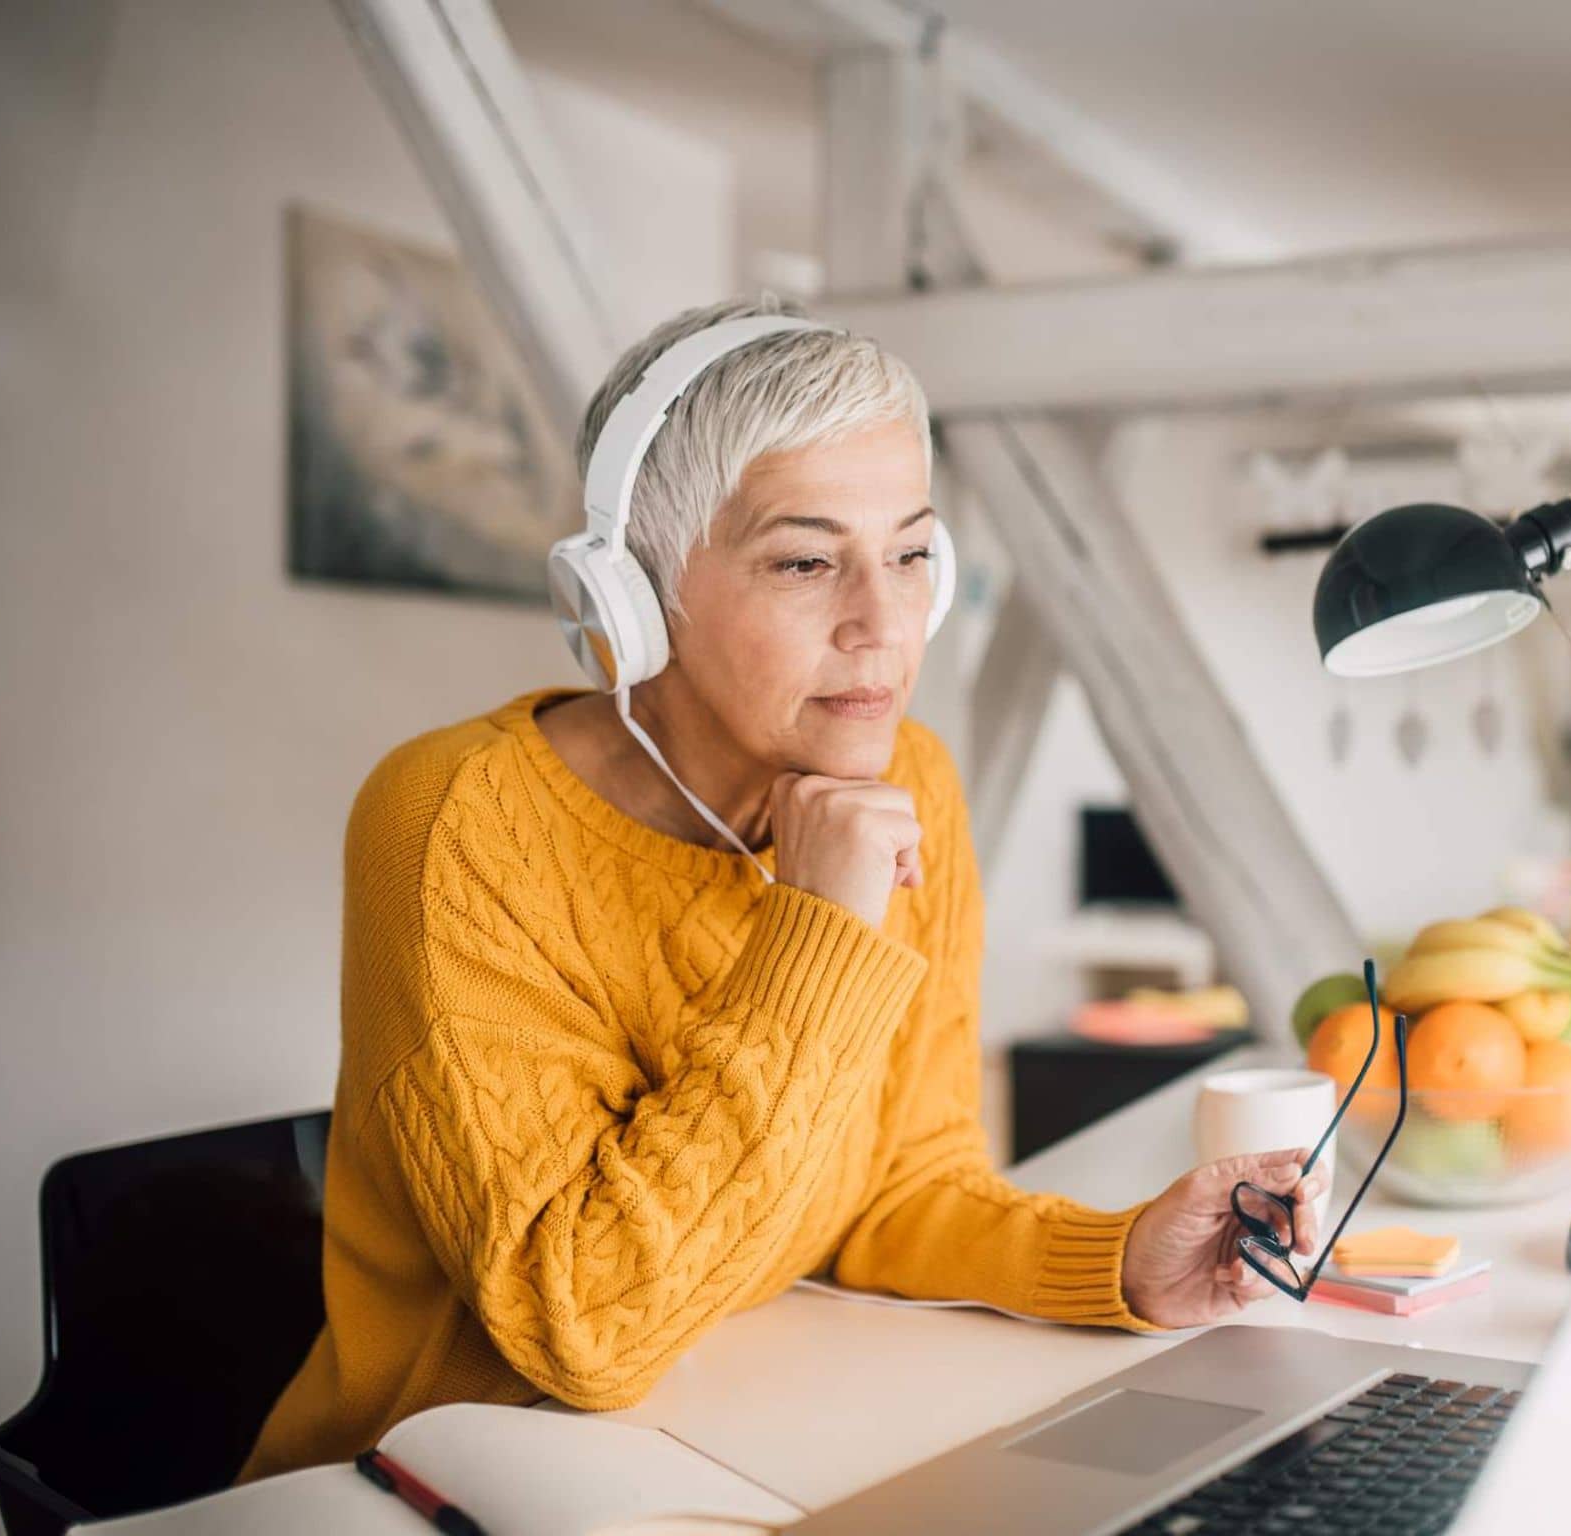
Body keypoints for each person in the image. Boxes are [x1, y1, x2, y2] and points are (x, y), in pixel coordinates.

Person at [241, 296, 1325, 1480]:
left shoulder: (910, 779)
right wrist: (818, 926)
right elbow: (586, 1332)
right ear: (635, 596)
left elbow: (895, 1184)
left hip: (739, 1436)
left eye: (911, 554)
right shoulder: (453, 824)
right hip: (432, 1487)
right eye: (805, 561)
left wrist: (1119, 1260)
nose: (881, 624)